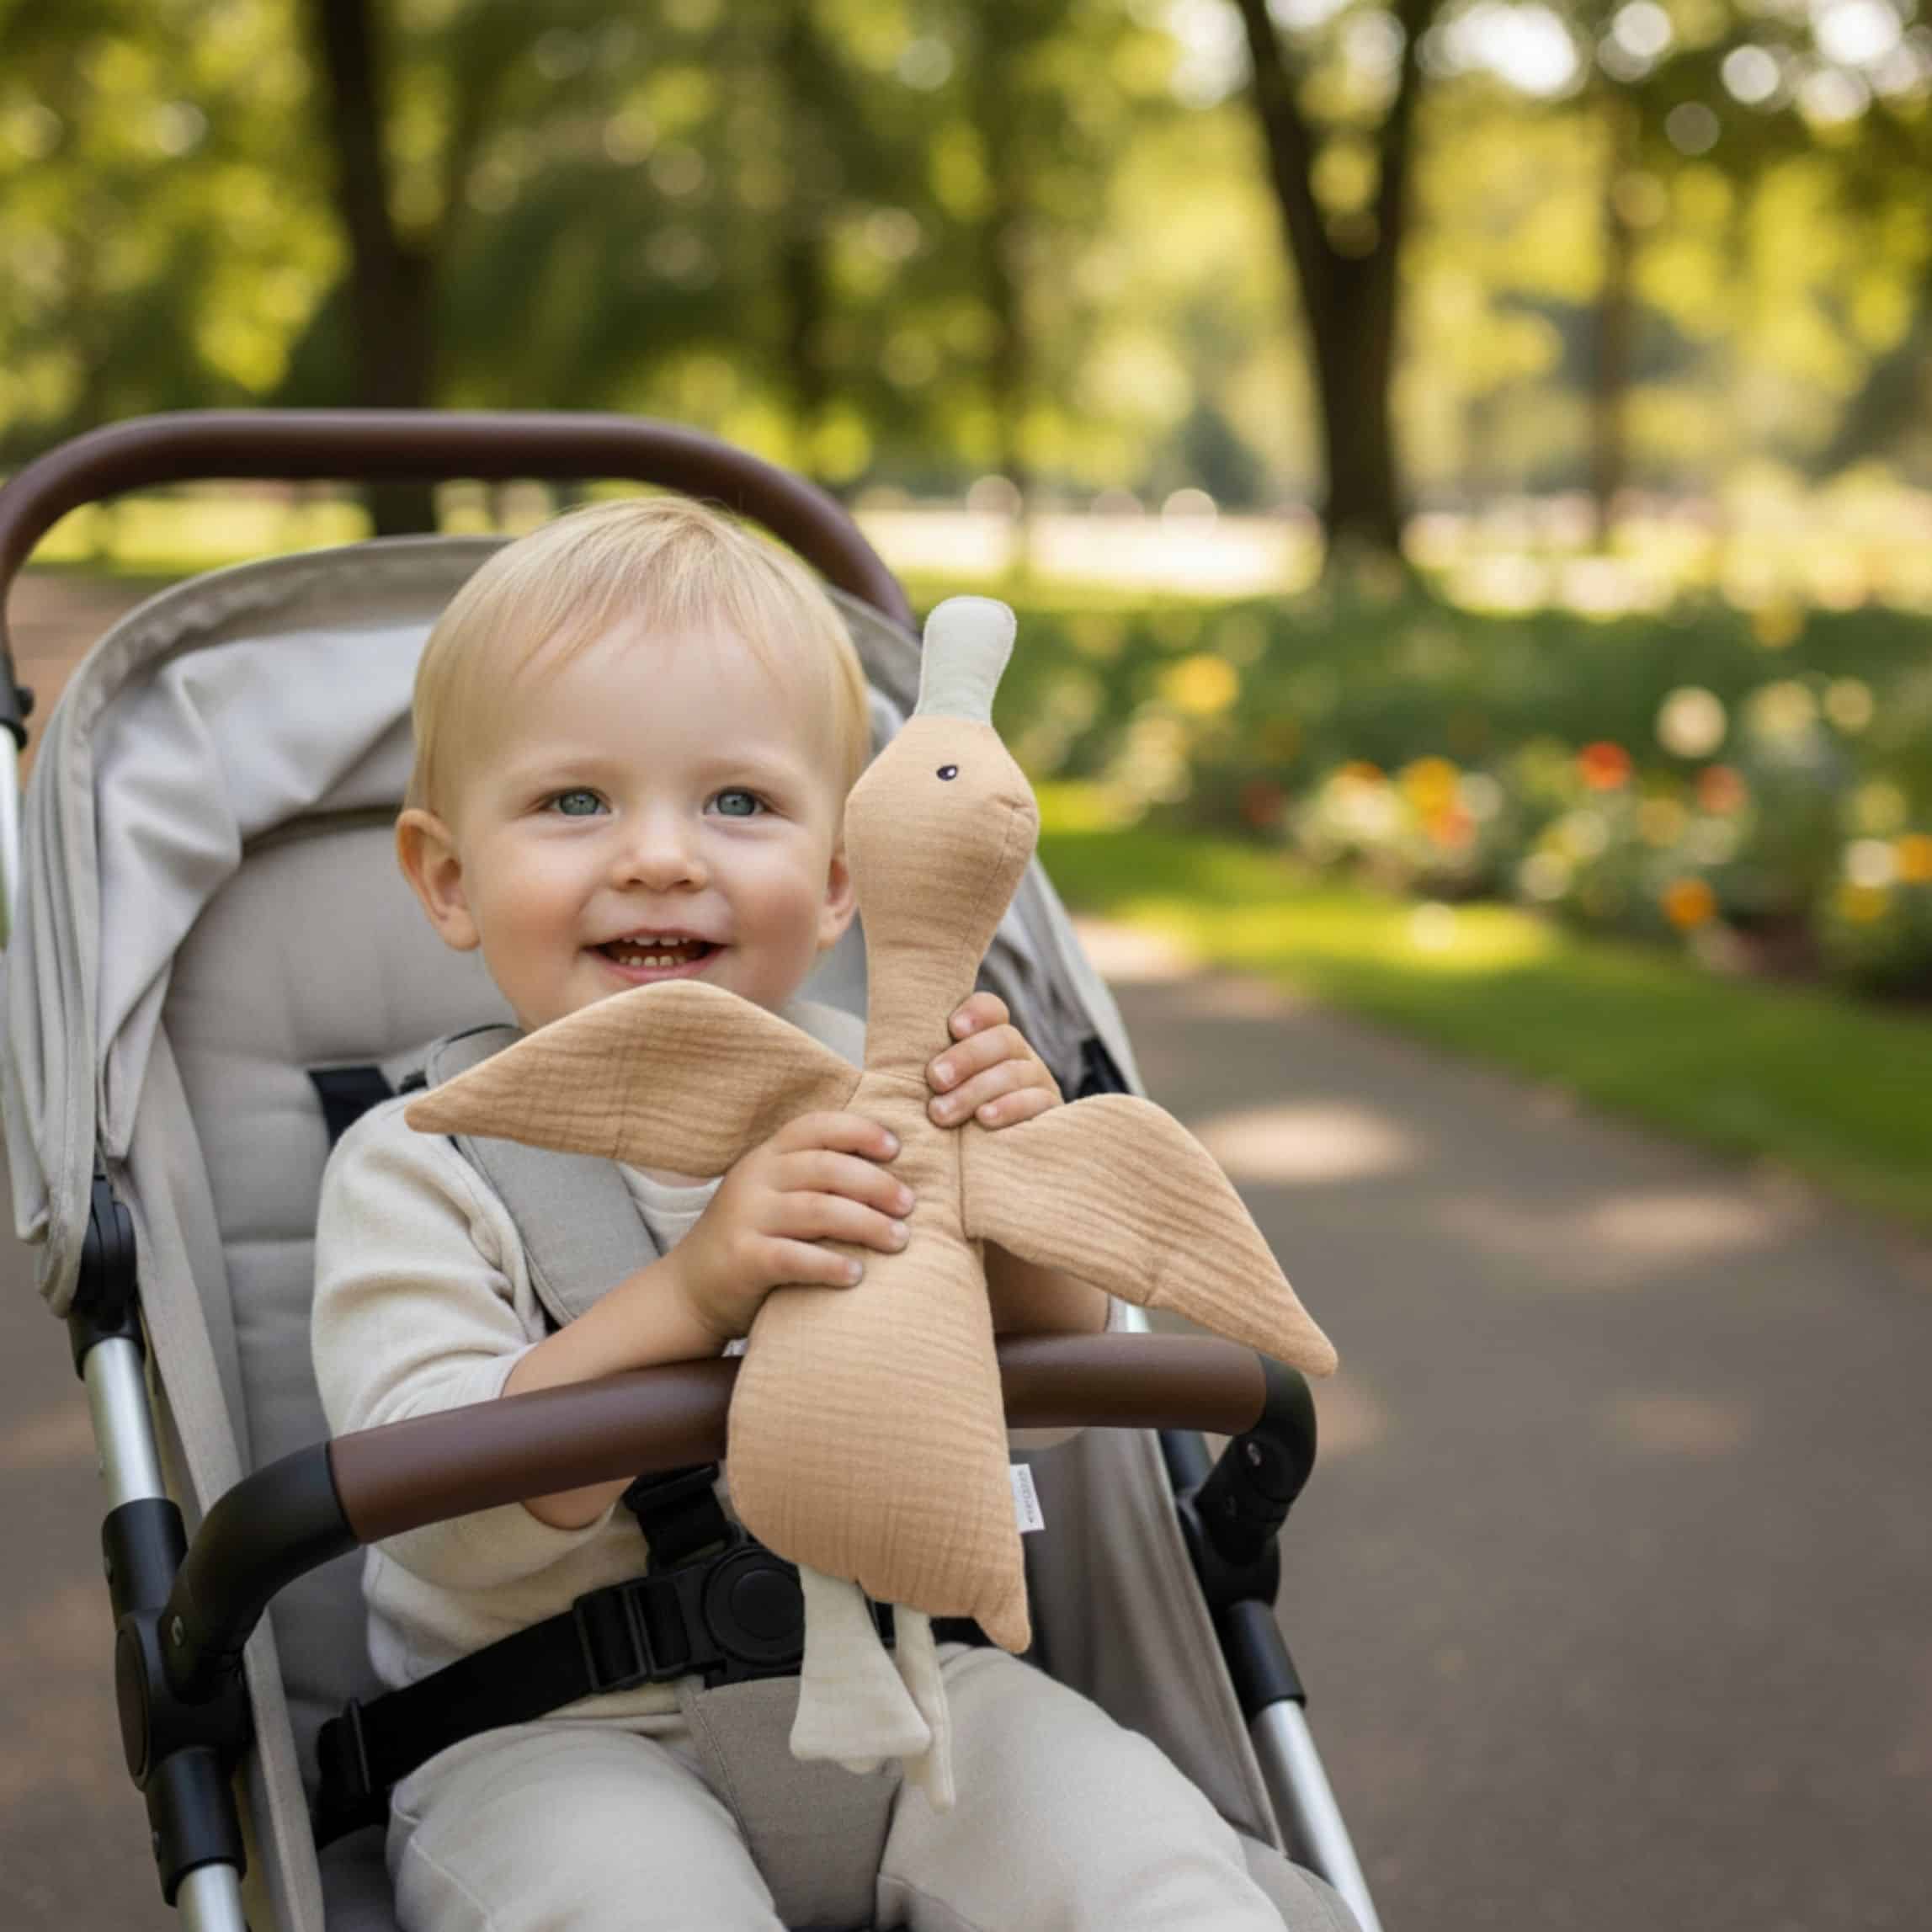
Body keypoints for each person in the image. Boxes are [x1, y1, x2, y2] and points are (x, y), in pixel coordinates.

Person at [311, 496, 1335, 1930]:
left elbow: (1039, 1406)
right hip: (556, 1735)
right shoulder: (421, 1162)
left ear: (843, 878)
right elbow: (437, 1515)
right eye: (574, 802)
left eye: (737, 803)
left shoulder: (886, 1100)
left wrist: (1015, 1198)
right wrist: (695, 1291)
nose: (662, 856)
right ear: (447, 876)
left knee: (1156, 1869)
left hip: (924, 1696)